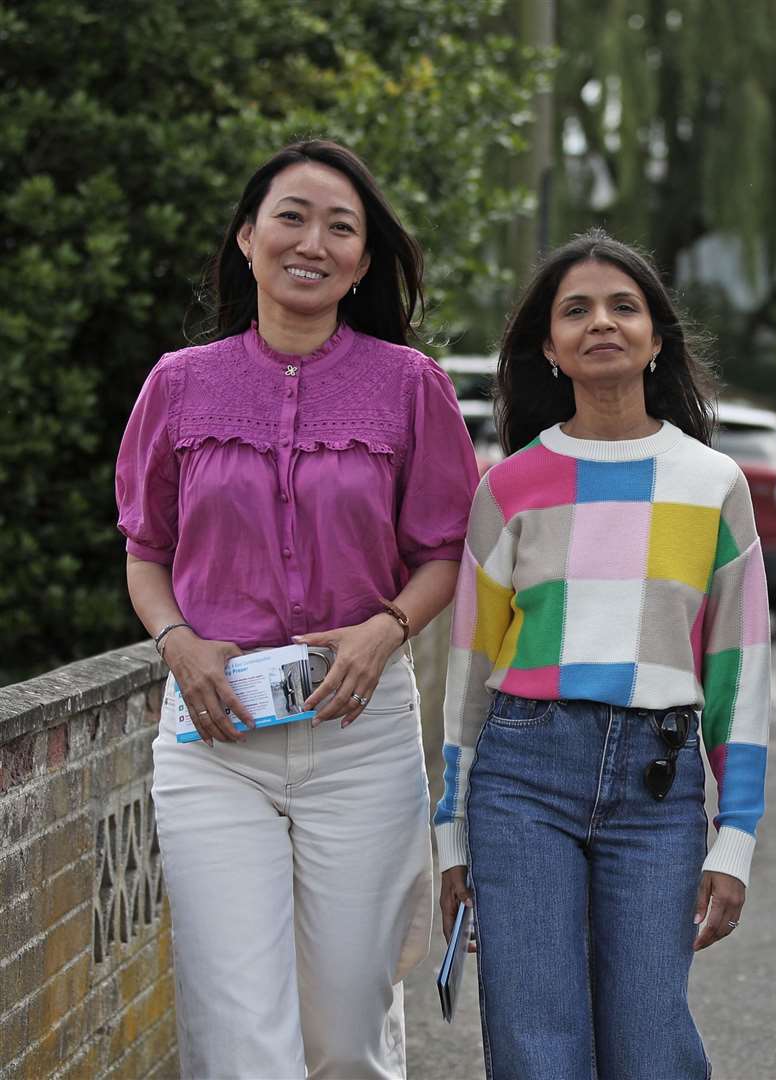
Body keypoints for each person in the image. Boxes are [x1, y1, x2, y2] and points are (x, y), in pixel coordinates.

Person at [115, 138, 479, 1077]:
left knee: (347, 1032)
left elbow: (442, 553)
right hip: (214, 737)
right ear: (248, 238)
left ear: (362, 260)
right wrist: (177, 642)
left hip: (358, 734)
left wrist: (385, 628)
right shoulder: (177, 385)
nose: (311, 240)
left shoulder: (410, 387)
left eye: (340, 226)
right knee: (240, 1032)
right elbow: (145, 550)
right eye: (291, 216)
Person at [433, 229, 769, 1078]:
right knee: (537, 1047)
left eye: (625, 307)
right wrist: (450, 835)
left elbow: (741, 670)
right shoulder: (507, 487)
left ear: (658, 337)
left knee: (650, 1049)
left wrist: (735, 839)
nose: (601, 324)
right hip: (521, 781)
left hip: (658, 790)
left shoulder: (712, 484)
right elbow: (467, 675)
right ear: (548, 346)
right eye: (575, 310)